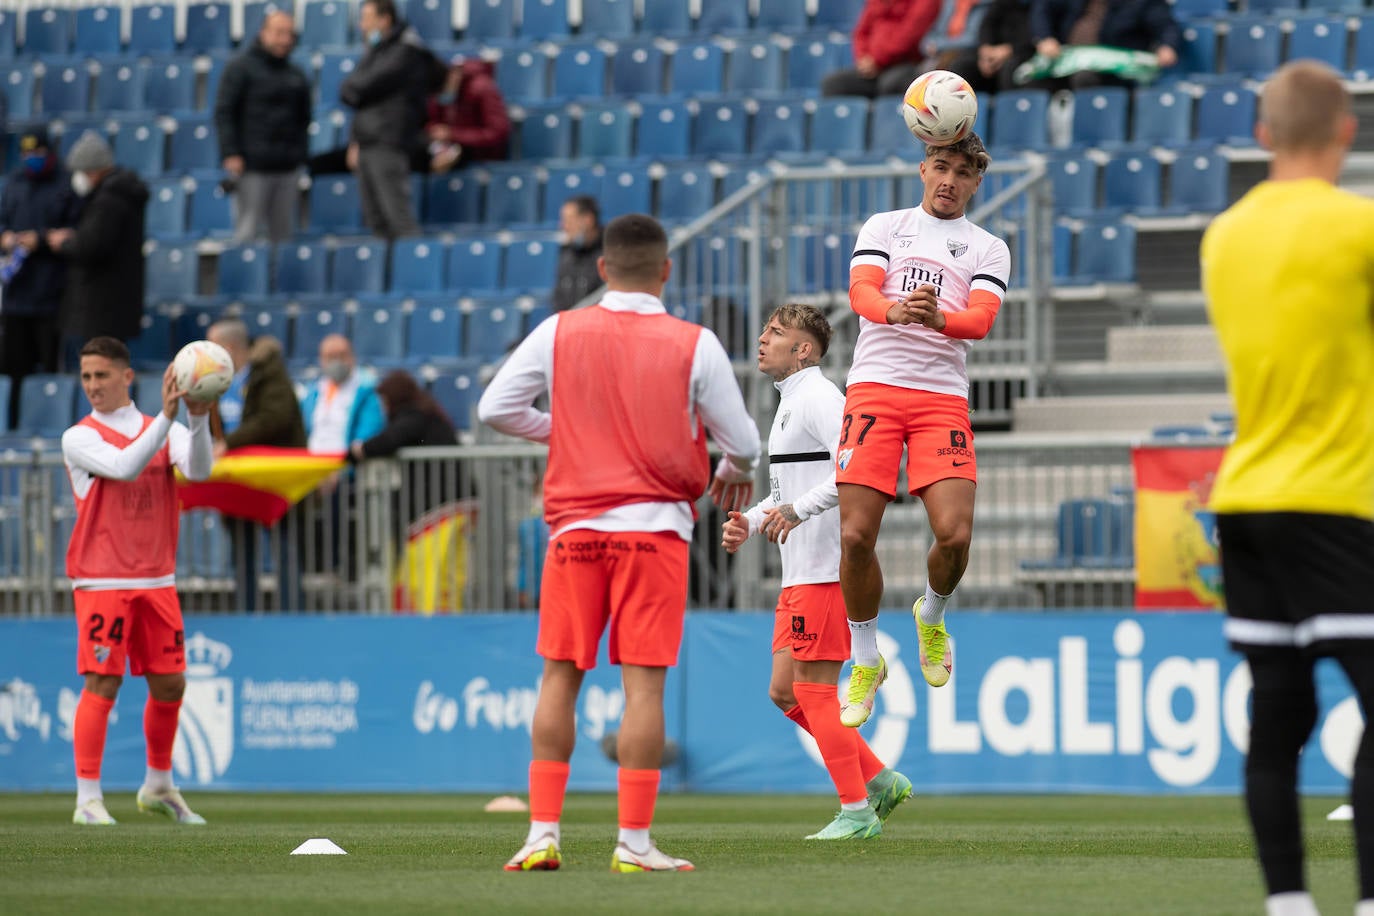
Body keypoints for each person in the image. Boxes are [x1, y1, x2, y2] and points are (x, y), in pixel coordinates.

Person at [478, 212, 760, 873]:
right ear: (666, 271)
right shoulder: (696, 343)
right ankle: (633, 844)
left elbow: (494, 408)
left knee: (558, 677)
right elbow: (744, 443)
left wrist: (567, 432)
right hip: (654, 533)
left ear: (602, 270)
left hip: (575, 531)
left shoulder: (559, 330)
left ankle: (541, 834)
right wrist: (731, 472)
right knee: (644, 692)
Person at [1202, 60, 1374, 916]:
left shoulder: (1223, 235)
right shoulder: (1359, 229)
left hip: (1247, 498)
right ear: (1346, 131)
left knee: (1277, 722)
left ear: (1264, 135)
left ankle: (1289, 905)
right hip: (1342, 498)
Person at [836, 131, 1010, 726]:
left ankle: (931, 614)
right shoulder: (884, 226)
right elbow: (860, 290)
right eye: (941, 167)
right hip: (875, 388)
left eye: (963, 173)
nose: (949, 181)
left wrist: (939, 319)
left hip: (940, 399)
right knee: (856, 536)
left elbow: (981, 320)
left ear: (977, 181)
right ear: (922, 168)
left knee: (955, 535)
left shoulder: (988, 247)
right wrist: (891, 309)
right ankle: (865, 659)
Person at [721, 304, 911, 840]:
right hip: (797, 570)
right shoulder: (789, 404)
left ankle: (856, 812)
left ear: (804, 350)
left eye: (775, 333)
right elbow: (787, 491)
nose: (762, 339)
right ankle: (878, 779)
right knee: (785, 691)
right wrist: (754, 521)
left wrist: (797, 511)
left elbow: (855, 468)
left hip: (825, 570)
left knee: (814, 689)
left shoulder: (822, 398)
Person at [63, 336, 214, 825]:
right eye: (86, 376)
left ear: (127, 377)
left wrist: (197, 416)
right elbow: (127, 467)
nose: (92, 386)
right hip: (102, 578)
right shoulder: (78, 437)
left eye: (101, 375)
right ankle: (88, 798)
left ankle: (158, 785)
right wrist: (170, 418)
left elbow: (200, 470)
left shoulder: (159, 427)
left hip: (157, 578)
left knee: (171, 684)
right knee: (103, 681)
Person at [206, 319, 308, 612]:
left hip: (276, 480)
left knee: (285, 550)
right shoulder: (216, 381)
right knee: (242, 553)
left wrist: (230, 444)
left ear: (227, 348)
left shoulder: (269, 373)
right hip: (238, 481)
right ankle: (245, 615)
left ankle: (293, 618)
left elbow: (274, 418)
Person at [339, 0, 445, 239]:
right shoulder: (379, 50)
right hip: (368, 141)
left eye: (367, 18)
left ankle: (411, 272)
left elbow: (359, 87)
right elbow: (353, 93)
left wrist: (356, 86)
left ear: (384, 19)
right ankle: (386, 274)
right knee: (376, 221)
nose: (362, 25)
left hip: (388, 141)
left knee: (398, 219)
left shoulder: (404, 51)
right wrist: (355, 140)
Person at [46, 132, 148, 371]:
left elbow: (92, 246)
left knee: (103, 366)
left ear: (93, 170)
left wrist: (65, 243)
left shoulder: (109, 200)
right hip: (114, 301)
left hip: (103, 304)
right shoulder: (120, 194)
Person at [0, 126, 82, 422]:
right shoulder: (14, 183)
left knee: (49, 370)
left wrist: (41, 239)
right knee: (12, 370)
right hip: (16, 296)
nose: (31, 158)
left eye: (38, 152)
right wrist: (6, 238)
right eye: (26, 153)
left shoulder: (66, 184)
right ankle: (13, 425)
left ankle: (50, 422)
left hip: (51, 295)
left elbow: (75, 234)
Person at [213, 9, 312, 243]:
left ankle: (278, 281)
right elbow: (224, 112)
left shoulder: (296, 74)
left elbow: (304, 119)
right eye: (279, 33)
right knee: (246, 234)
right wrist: (231, 152)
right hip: (251, 167)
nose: (285, 40)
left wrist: (300, 157)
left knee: (283, 238)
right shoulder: (240, 68)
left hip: (287, 167)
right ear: (263, 33)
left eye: (289, 34)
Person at [1026, 0, 1179, 90]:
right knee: (1029, 79)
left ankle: (1086, 138)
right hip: (1065, 59)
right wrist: (1044, 38)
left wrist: (1168, 46)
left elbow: (1166, 27)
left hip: (1113, 71)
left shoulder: (1141, 3)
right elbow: (1043, 9)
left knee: (1084, 77)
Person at [820, 0, 942, 99]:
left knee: (890, 84)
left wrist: (876, 61)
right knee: (833, 84)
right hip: (872, 67)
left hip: (906, 64)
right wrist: (863, 58)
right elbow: (861, 32)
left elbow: (909, 37)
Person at [420, 56, 511, 174]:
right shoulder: (438, 92)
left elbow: (497, 132)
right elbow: (432, 122)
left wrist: (453, 134)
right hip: (447, 147)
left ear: (453, 75)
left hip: (478, 153)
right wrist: (437, 137)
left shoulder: (483, 89)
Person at [300, 334, 385, 455]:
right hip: (313, 464)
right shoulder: (312, 393)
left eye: (341, 356)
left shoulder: (367, 391)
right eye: (330, 357)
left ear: (352, 356)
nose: (336, 362)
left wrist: (349, 462)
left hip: (346, 466)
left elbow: (369, 432)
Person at [946, 0, 1036, 96]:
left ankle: (1007, 108)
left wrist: (1009, 50)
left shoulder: (1036, 5)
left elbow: (1037, 34)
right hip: (992, 51)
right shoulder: (1001, 3)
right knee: (961, 65)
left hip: (1022, 53)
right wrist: (986, 49)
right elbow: (987, 25)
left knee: (1009, 69)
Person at [552, 195, 602, 313]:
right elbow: (558, 299)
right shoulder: (566, 254)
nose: (563, 226)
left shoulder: (609, 254)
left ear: (588, 220)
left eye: (569, 220)